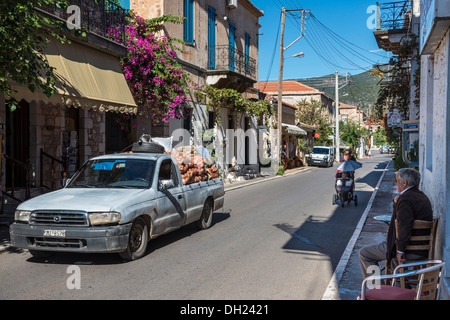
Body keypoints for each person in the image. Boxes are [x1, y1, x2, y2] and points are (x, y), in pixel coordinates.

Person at [359, 168, 433, 279]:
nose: (395, 184)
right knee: (390, 256)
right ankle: (395, 285)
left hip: (408, 250)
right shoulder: (422, 196)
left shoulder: (405, 199)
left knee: (365, 254)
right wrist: (396, 203)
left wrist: (400, 250)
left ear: (404, 183)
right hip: (422, 249)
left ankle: (375, 289)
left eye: (397, 181)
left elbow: (404, 226)